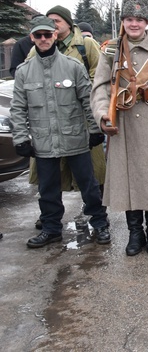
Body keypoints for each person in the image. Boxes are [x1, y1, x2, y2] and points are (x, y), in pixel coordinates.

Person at [91, 0, 148, 255]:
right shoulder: (111, 50)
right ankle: (134, 233)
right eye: (129, 19)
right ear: (123, 21)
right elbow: (99, 89)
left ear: (147, 22)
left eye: (139, 20)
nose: (134, 24)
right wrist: (102, 116)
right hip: (124, 125)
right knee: (128, 180)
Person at [10, 17, 110, 248]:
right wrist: (21, 138)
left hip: (75, 138)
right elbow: (18, 108)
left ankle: (101, 223)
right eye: (38, 35)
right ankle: (51, 229)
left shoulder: (73, 67)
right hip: (44, 142)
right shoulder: (24, 72)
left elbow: (88, 100)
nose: (43, 39)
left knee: (90, 185)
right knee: (47, 190)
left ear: (55, 35)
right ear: (32, 38)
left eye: (48, 34)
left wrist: (95, 130)